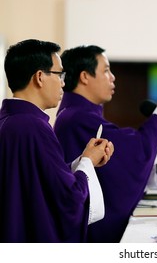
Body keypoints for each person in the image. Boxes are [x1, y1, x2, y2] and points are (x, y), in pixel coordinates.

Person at [54, 45, 157, 242]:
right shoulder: (77, 118)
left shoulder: (78, 113)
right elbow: (133, 152)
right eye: (106, 70)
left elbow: (125, 149)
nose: (112, 77)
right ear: (85, 76)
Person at [0, 39, 114, 242]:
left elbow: (41, 182)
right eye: (59, 74)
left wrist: (82, 160)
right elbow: (67, 198)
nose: (63, 82)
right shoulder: (34, 127)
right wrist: (88, 162)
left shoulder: (9, 120)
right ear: (39, 77)